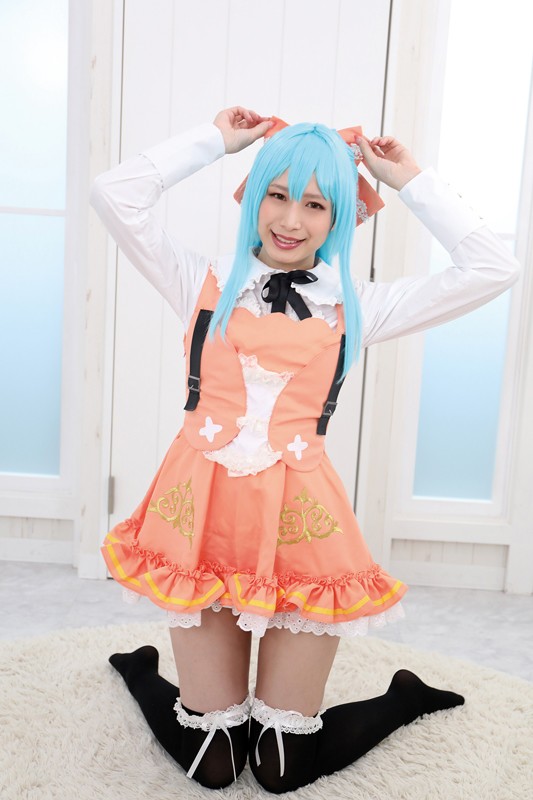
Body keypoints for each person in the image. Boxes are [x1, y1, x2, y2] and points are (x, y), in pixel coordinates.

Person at [90, 106, 520, 792]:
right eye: (277, 194)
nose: (291, 220)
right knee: (213, 761)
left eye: (316, 204)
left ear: (341, 215)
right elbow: (113, 194)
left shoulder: (358, 305)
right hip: (200, 520)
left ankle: (401, 698)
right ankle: (143, 673)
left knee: (281, 766)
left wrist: (409, 180)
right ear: (253, 197)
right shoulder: (197, 278)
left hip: (299, 528)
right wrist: (217, 140)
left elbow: (493, 266)